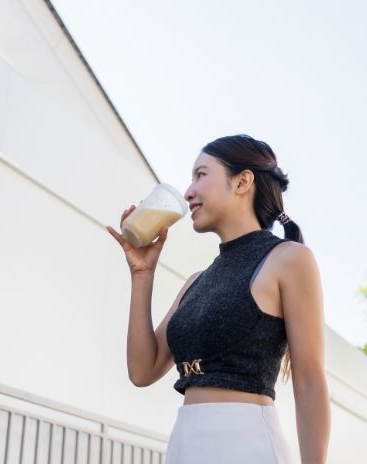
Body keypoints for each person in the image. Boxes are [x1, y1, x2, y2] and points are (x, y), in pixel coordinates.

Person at [106, 134, 330, 463]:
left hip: (248, 447)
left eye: (201, 175)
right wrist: (142, 274)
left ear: (242, 182)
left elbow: (310, 381)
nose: (188, 192)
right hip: (184, 445)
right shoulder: (196, 282)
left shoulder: (289, 259)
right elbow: (142, 371)